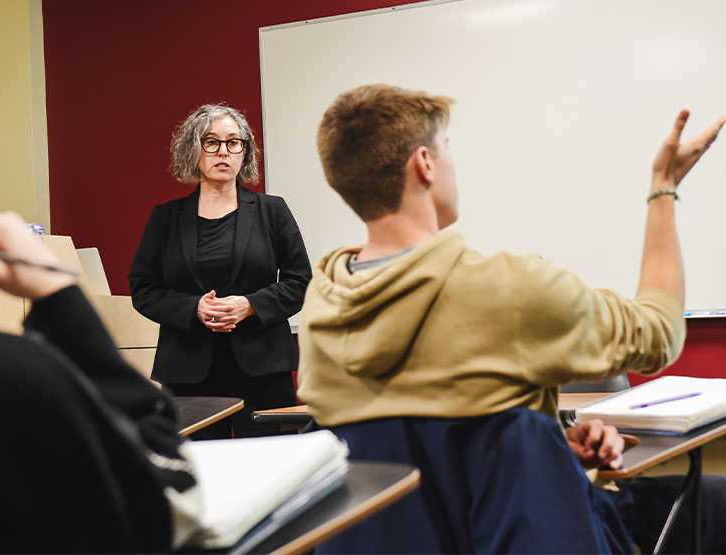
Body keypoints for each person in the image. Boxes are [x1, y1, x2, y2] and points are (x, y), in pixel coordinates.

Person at [296, 84, 726, 552]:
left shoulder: (321, 310)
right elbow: (659, 332)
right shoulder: (508, 288)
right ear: (424, 164)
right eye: (447, 151)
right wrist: (662, 188)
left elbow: (424, 446)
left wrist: (549, 447)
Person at [0, 211, 202, 553]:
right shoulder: (11, 375)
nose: (224, 153)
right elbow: (168, 503)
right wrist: (58, 293)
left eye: (236, 149)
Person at [129, 104, 311, 438]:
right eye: (211, 142)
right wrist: (193, 308)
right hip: (187, 373)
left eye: (233, 142)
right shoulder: (165, 218)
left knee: (270, 472)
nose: (222, 151)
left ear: (245, 152)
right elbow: (143, 289)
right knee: (198, 476)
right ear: (193, 150)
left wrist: (251, 305)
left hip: (263, 372)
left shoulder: (273, 211)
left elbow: (300, 281)